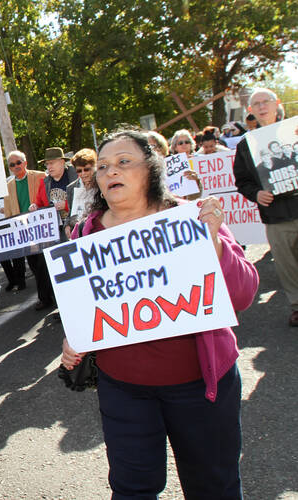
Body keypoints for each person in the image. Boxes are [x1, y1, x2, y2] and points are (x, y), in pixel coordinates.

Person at [62, 128, 258, 499]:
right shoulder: (85, 236)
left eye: (123, 162)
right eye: (102, 166)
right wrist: (73, 339)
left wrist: (213, 245)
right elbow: (83, 312)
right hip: (124, 391)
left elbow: (244, 294)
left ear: (151, 169)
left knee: (213, 487)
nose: (110, 172)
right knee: (132, 489)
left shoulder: (193, 218)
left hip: (202, 388)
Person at [234, 87, 298, 327]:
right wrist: (256, 193)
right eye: (256, 104)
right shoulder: (245, 145)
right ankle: (296, 306)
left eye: (266, 102)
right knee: (287, 264)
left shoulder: (294, 131)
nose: (262, 107)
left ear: (277, 104)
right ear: (250, 111)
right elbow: (242, 181)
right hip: (276, 215)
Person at [2, 150, 54, 310]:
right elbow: (9, 212)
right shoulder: (8, 186)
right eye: (12, 164)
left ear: (25, 162)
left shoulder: (40, 177)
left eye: (19, 162)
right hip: (23, 232)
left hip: (42, 227)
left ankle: (48, 297)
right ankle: (46, 297)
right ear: (9, 168)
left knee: (45, 264)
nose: (16, 166)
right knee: (34, 266)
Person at [32, 147, 78, 226]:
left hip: (75, 223)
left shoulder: (75, 176)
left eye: (52, 163)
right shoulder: (44, 183)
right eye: (47, 164)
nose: (49, 167)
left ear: (62, 162)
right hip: (56, 228)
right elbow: (39, 203)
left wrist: (66, 205)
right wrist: (34, 206)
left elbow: (83, 200)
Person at [64, 149, 98, 234]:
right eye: (79, 171)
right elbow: (71, 212)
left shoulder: (101, 183)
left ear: (94, 167)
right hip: (80, 231)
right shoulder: (71, 188)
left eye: (86, 169)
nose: (83, 173)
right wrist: (67, 225)